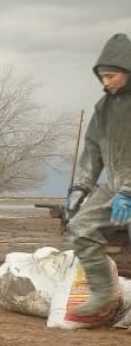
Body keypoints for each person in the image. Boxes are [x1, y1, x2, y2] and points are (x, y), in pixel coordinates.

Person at [64, 33, 131, 322]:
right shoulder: (103, 108)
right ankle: (104, 293)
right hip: (115, 188)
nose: (105, 82)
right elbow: (92, 149)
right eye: (102, 77)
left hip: (127, 189)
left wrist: (128, 191)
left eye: (110, 76)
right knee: (81, 227)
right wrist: (81, 186)